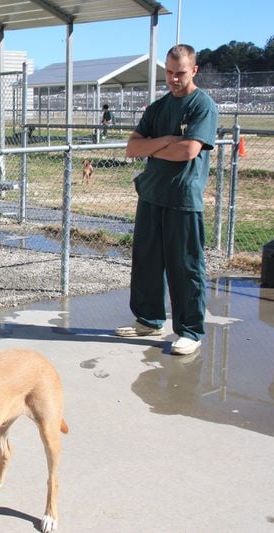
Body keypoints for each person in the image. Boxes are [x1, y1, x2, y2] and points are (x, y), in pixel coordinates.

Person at [114, 44, 218, 356]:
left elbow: (188, 151)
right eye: (169, 73)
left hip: (182, 198)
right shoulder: (157, 109)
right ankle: (149, 320)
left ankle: (189, 330)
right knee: (146, 262)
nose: (173, 79)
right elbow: (132, 148)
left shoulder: (203, 106)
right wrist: (166, 141)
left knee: (184, 266)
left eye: (180, 73)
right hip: (151, 194)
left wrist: (153, 147)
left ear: (194, 70)